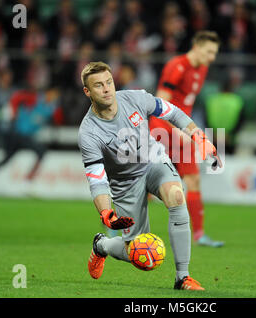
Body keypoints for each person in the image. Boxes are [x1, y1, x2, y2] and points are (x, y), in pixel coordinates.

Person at [79, 61, 221, 290]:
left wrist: (199, 137)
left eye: (109, 82)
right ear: (88, 92)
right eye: (98, 86)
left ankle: (182, 277)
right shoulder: (89, 133)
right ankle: (102, 246)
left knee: (176, 195)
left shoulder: (135, 98)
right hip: (125, 183)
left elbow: (172, 112)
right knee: (138, 254)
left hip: (153, 161)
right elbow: (97, 179)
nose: (106, 89)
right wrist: (106, 212)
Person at [148, 30, 224, 247]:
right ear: (197, 47)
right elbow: (161, 103)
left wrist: (187, 130)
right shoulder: (176, 66)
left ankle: (199, 235)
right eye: (209, 52)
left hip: (183, 132)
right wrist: (180, 129)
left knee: (193, 180)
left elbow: (186, 101)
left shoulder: (202, 68)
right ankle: (120, 228)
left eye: (215, 53)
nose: (212, 57)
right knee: (146, 184)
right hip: (162, 129)